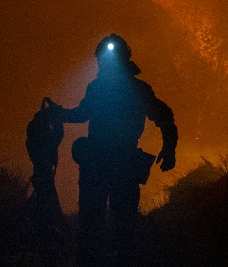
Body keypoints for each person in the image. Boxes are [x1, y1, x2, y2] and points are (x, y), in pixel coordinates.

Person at [54, 34, 177, 265]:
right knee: (116, 226)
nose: (102, 64)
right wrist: (169, 148)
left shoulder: (108, 88)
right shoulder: (131, 89)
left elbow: (164, 117)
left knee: (105, 226)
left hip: (103, 163)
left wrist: (170, 148)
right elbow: (165, 118)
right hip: (119, 163)